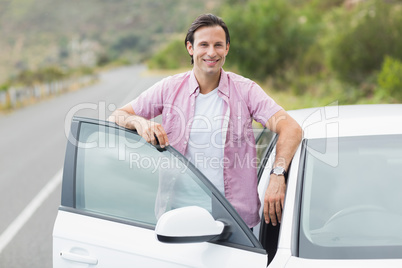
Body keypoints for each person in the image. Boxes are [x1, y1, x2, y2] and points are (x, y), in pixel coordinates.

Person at [108, 13, 302, 228]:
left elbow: (291, 128)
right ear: (190, 48)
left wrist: (277, 175)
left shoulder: (246, 91)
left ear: (227, 48)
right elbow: (117, 115)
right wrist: (140, 123)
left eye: (218, 45)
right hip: (177, 215)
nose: (211, 52)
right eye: (204, 45)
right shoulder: (169, 88)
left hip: (235, 219)